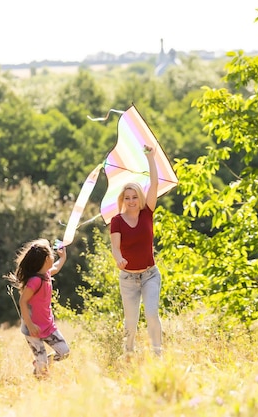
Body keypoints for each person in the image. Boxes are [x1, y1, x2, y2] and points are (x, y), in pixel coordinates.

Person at [110, 144, 162, 357]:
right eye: (127, 198)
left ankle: (158, 354)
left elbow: (155, 184)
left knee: (151, 314)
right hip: (128, 279)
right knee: (130, 322)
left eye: (134, 197)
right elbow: (115, 247)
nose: (131, 201)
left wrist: (151, 158)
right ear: (122, 200)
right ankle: (128, 354)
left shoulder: (147, 212)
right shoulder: (117, 221)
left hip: (150, 275)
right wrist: (119, 258)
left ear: (139, 197)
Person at [5, 238, 70, 377]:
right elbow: (23, 302)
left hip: (48, 326)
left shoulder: (46, 274)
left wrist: (62, 257)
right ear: (46, 259)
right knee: (42, 370)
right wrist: (30, 324)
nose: (53, 256)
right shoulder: (35, 281)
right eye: (52, 254)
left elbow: (56, 267)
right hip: (33, 330)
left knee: (64, 352)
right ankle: (41, 374)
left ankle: (44, 363)